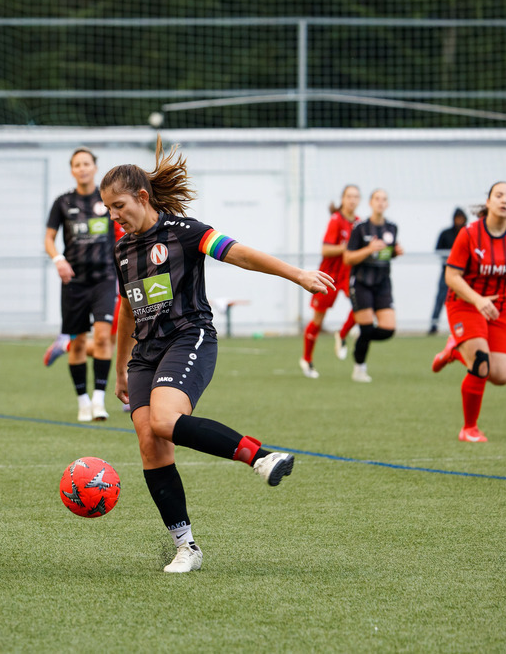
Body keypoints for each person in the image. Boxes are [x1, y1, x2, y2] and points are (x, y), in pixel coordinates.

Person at [101, 139, 333, 574]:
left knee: (164, 422)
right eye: (109, 209)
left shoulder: (185, 233)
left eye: (119, 206)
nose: (114, 216)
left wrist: (297, 274)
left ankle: (260, 456)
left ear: (142, 197)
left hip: (189, 338)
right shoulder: (121, 249)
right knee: (151, 445)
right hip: (144, 357)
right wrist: (119, 371)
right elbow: (127, 312)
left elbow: (240, 253)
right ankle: (186, 546)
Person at [431, 182, 506, 442]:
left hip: (499, 307)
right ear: (487, 202)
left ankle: (454, 350)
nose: (504, 200)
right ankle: (469, 429)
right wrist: (477, 300)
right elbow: (451, 276)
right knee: (481, 363)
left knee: (501, 375)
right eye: (498, 195)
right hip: (465, 303)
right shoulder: (469, 233)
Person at [44, 147, 116, 422]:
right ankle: (83, 401)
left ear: (95, 167)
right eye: (77, 164)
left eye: (87, 163)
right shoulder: (63, 202)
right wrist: (59, 260)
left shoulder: (107, 198)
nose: (82, 168)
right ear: (72, 170)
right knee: (76, 343)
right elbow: (49, 239)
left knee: (102, 337)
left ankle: (99, 399)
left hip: (105, 277)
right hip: (74, 281)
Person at [299, 184, 361, 378]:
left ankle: (341, 335)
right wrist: (347, 248)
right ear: (342, 199)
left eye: (355, 197)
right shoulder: (336, 220)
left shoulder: (359, 223)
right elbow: (325, 250)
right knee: (318, 318)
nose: (352, 200)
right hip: (329, 275)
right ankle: (307, 360)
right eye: (349, 196)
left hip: (348, 274)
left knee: (362, 307)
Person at [343, 188, 404, 383]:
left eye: (384, 199)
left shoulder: (392, 227)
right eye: (377, 199)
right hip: (362, 282)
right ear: (370, 203)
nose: (380, 202)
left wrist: (395, 252)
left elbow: (387, 254)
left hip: (383, 282)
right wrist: (368, 249)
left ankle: (360, 334)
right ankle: (359, 368)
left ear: (387, 204)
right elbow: (348, 258)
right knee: (368, 327)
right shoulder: (360, 228)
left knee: (388, 330)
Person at [429, 208, 469, 335]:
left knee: (467, 298)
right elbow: (438, 250)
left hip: (465, 274)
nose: (459, 221)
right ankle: (434, 325)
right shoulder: (445, 233)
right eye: (457, 218)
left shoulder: (468, 233)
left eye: (461, 218)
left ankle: (466, 326)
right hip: (447, 272)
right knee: (441, 298)